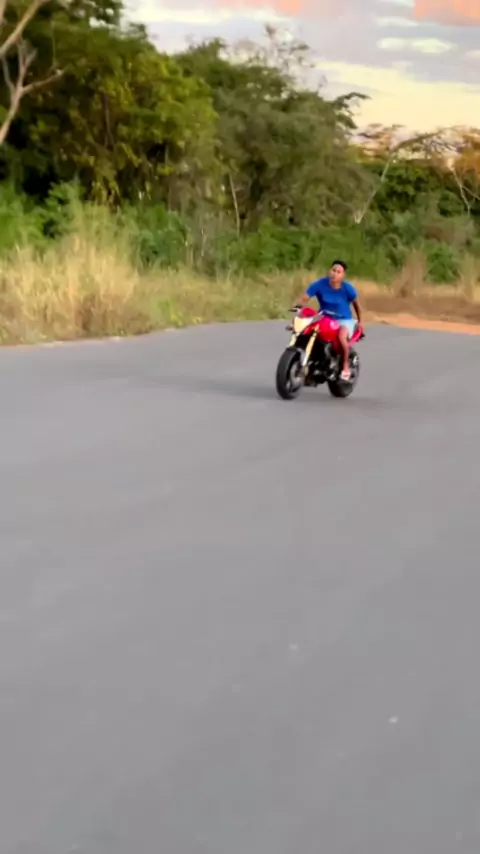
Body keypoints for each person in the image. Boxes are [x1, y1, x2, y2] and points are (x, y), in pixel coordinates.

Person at [297, 259, 363, 381]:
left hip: (343, 320)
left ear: (343, 275)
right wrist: (299, 306)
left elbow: (357, 306)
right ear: (329, 271)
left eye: (338, 272)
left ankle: (345, 366)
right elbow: (305, 297)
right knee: (307, 330)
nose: (335, 274)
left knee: (341, 336)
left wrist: (360, 322)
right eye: (333, 270)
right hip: (324, 317)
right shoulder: (320, 284)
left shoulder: (348, 288)